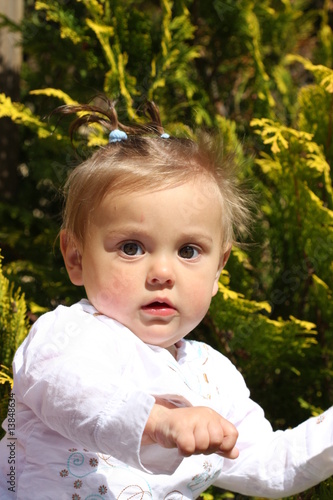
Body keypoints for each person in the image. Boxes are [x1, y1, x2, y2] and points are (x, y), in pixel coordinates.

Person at [0, 99, 332, 500]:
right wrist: (156, 422)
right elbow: (72, 392)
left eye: (189, 251)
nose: (162, 272)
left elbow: (269, 464)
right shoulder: (69, 335)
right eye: (131, 247)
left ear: (218, 270)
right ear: (76, 258)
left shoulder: (212, 375)